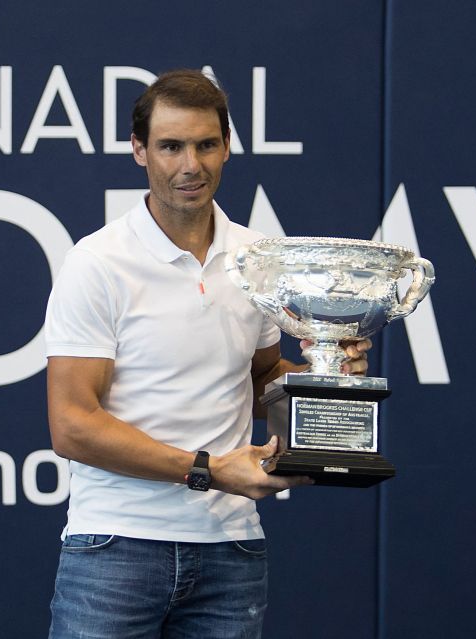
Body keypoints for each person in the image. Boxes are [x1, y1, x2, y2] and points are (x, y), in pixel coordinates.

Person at [44, 69, 370, 639]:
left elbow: (262, 375)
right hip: (115, 546)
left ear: (226, 148)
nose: (190, 165)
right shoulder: (96, 263)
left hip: (231, 551)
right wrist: (211, 470)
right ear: (139, 151)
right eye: (170, 146)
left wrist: (324, 376)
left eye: (205, 144)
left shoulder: (259, 257)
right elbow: (73, 425)